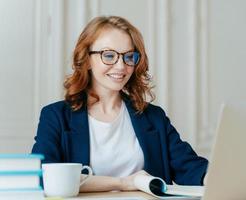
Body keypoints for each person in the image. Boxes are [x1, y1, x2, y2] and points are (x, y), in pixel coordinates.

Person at [32, 16, 208, 192]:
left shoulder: (153, 116)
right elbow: (44, 177)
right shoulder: (55, 116)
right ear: (86, 60)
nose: (121, 66)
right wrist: (123, 183)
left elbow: (191, 168)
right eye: (109, 55)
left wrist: (217, 177)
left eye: (129, 56)